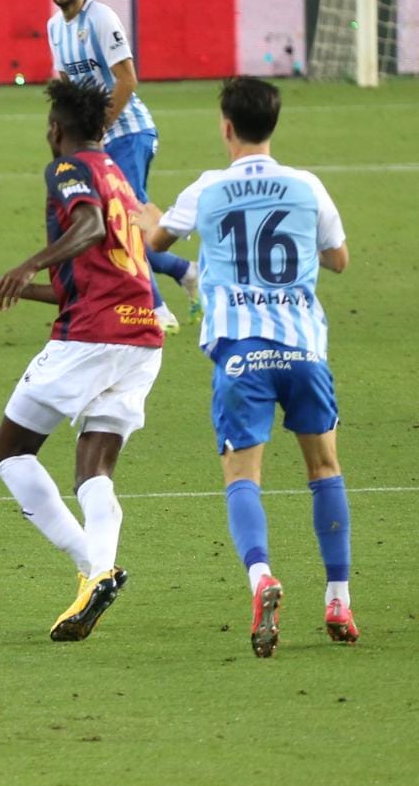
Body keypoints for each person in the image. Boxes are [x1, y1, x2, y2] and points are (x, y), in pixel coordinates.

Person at [136, 77, 355, 657]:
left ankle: (262, 578)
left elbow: (153, 240)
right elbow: (339, 260)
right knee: (324, 469)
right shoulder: (307, 185)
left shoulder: (207, 189)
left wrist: (147, 214)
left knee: (242, 478)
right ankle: (339, 597)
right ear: (273, 125)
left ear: (225, 127)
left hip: (241, 355)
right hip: (304, 350)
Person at [0, 79, 163, 642]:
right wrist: (13, 285)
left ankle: (90, 566)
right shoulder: (118, 175)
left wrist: (26, 265)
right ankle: (99, 575)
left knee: (9, 450)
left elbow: (88, 226)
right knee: (94, 469)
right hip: (142, 337)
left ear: (57, 128)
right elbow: (93, 274)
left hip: (91, 338)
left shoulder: (69, 170)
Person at [44, 0, 198, 329]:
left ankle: (157, 311)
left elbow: (127, 79)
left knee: (125, 223)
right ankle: (186, 272)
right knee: (119, 225)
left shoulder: (101, 18)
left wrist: (100, 127)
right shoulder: (54, 28)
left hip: (129, 132)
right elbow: (68, 88)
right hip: (97, 140)